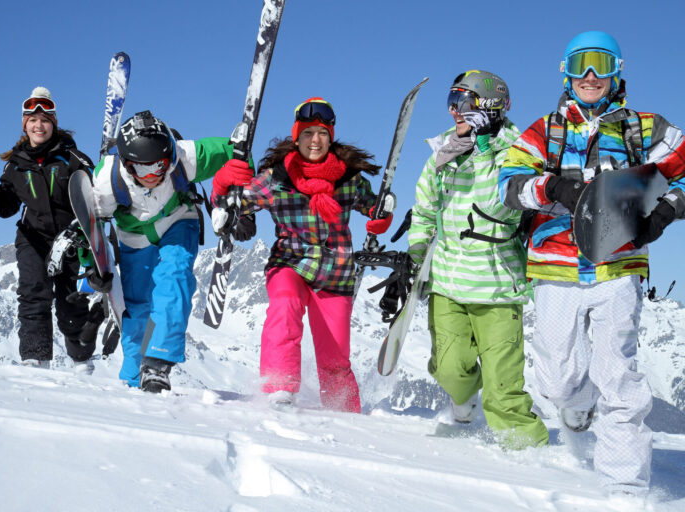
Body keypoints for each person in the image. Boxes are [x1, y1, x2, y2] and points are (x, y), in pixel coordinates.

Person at [499, 31, 685, 496]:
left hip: (618, 266)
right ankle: (576, 405)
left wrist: (666, 210)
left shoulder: (645, 129)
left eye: (600, 64)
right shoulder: (546, 130)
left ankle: (625, 487)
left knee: (618, 377)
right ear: (564, 70)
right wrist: (552, 188)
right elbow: (507, 184)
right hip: (555, 265)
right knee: (557, 381)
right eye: (580, 63)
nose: (589, 75)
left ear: (616, 71)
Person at [211, 97, 392, 412]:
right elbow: (237, 205)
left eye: (322, 133)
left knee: (335, 354)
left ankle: (345, 412)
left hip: (335, 273)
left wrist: (381, 215)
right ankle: (280, 387)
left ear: (330, 137)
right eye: (308, 133)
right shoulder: (277, 177)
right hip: (290, 263)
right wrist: (222, 189)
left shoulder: (348, 178)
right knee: (285, 304)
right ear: (297, 137)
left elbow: (371, 206)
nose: (315, 140)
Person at [407, 71, 548, 450]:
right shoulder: (443, 154)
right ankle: (463, 398)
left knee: (503, 392)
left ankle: (533, 460)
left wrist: (485, 147)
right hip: (448, 283)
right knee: (450, 370)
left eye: (465, 102)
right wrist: (416, 256)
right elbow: (423, 212)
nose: (455, 110)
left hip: (497, 287)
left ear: (490, 105)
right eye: (451, 102)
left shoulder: (518, 151)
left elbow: (495, 206)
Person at [92, 110, 241, 393]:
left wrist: (238, 201)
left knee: (175, 276)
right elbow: (90, 227)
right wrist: (92, 268)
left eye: (159, 166)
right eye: (142, 169)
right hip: (134, 235)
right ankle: (134, 377)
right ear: (126, 163)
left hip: (177, 220)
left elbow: (237, 154)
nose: (152, 175)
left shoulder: (185, 157)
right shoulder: (106, 181)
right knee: (137, 308)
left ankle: (158, 362)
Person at [0, 87, 97, 370]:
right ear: (25, 125)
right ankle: (35, 359)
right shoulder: (15, 166)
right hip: (33, 238)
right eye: (32, 120)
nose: (38, 125)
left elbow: (94, 199)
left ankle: (81, 360)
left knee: (71, 304)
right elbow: (5, 207)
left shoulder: (73, 159)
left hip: (70, 240)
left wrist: (85, 233)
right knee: (33, 295)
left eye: (44, 120)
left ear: (53, 124)